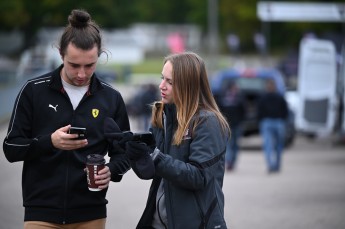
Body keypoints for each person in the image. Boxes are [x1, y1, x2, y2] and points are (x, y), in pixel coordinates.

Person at [2, 9, 130, 229]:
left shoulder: (112, 98)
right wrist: (49, 142)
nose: (81, 74)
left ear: (99, 56)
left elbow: (125, 152)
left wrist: (113, 170)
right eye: (74, 65)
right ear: (61, 55)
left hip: (92, 214)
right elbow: (11, 147)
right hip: (41, 214)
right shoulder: (33, 91)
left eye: (89, 65)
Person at [125, 52, 230, 228]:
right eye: (162, 78)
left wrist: (155, 157)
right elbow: (150, 173)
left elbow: (199, 177)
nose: (161, 86)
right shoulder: (162, 114)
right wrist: (133, 151)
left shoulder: (207, 121)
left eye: (170, 82)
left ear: (188, 85)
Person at [257, 79, 289, 173]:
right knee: (276, 146)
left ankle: (272, 165)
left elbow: (259, 111)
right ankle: (275, 165)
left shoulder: (263, 97)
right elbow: (285, 111)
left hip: (269, 122)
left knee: (270, 146)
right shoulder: (279, 97)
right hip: (277, 122)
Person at [219, 82, 245, 171]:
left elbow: (243, 110)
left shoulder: (240, 98)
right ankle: (229, 161)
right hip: (227, 125)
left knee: (235, 144)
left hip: (237, 125)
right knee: (228, 144)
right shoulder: (223, 98)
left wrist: (241, 121)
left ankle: (233, 161)